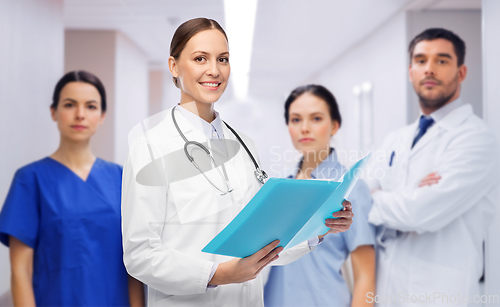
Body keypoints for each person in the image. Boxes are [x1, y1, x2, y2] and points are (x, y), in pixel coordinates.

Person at [121, 18, 354, 307]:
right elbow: (140, 255)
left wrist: (320, 228)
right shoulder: (150, 145)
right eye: (200, 58)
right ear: (174, 66)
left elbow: (266, 238)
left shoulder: (243, 144)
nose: (214, 70)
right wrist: (218, 274)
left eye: (223, 59)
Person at [365, 28, 499, 306]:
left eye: (441, 60)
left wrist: (378, 197)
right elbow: (359, 194)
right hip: (388, 292)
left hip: (443, 295)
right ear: (411, 71)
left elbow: (418, 213)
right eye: (421, 60)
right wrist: (404, 196)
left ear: (461, 73)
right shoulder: (396, 139)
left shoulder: (477, 139)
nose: (429, 69)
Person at [0, 71, 144, 306]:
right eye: (69, 105)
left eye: (90, 106)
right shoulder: (30, 180)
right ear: (53, 112)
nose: (80, 115)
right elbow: (20, 270)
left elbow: (133, 265)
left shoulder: (121, 178)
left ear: (102, 115)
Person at [263, 85, 376, 307]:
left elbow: (365, 275)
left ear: (334, 125)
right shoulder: (278, 187)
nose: (304, 128)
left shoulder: (350, 187)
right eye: (295, 120)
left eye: (316, 118)